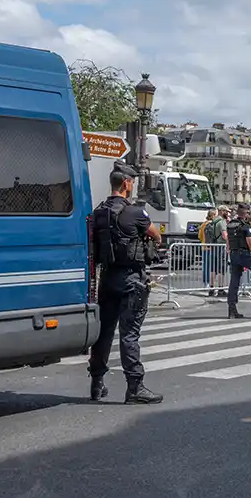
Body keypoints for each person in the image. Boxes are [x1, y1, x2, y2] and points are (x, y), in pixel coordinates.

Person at [87, 162, 164, 404]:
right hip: (132, 279)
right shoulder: (135, 212)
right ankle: (134, 387)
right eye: (132, 182)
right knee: (129, 334)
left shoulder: (98, 212)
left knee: (104, 333)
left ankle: (97, 384)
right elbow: (156, 235)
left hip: (107, 277)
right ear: (126, 183)